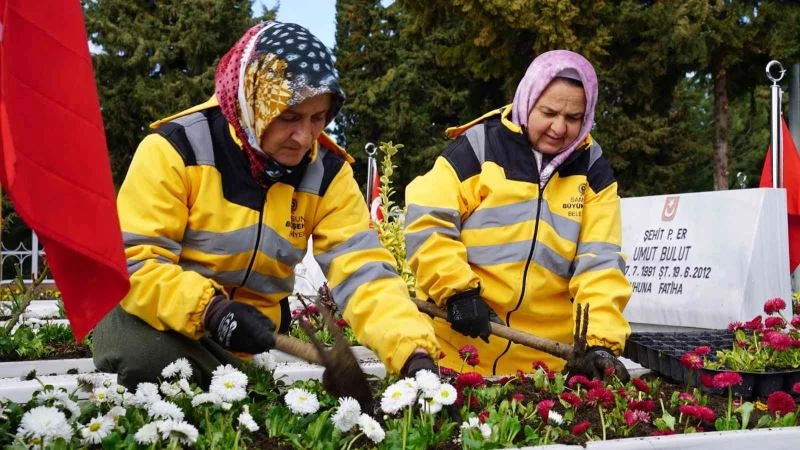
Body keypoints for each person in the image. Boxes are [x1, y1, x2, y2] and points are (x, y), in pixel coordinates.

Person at [93, 21, 439, 390]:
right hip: (154, 320)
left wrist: (413, 352)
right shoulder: (177, 148)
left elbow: (364, 271)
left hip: (248, 344)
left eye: (318, 118)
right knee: (150, 360)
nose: (304, 136)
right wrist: (211, 311)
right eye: (289, 117)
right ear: (252, 101)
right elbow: (136, 262)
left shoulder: (327, 174)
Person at [404, 50, 631, 380]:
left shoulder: (593, 170)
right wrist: (457, 292)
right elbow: (430, 221)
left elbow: (601, 264)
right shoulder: (480, 148)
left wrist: (599, 343)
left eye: (573, 117)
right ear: (527, 100)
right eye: (548, 112)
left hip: (543, 367)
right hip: (458, 354)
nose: (558, 127)